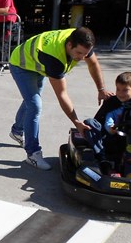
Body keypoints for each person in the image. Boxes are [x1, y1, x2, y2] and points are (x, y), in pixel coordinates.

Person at [8, 26, 112, 171]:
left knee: (31, 100)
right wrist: (77, 122)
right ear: (70, 45)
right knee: (34, 105)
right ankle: (32, 154)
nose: (82, 58)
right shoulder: (54, 59)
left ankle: (17, 131)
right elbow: (62, 94)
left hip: (37, 64)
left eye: (85, 54)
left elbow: (93, 63)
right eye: (79, 53)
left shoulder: (81, 38)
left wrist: (101, 90)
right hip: (22, 65)